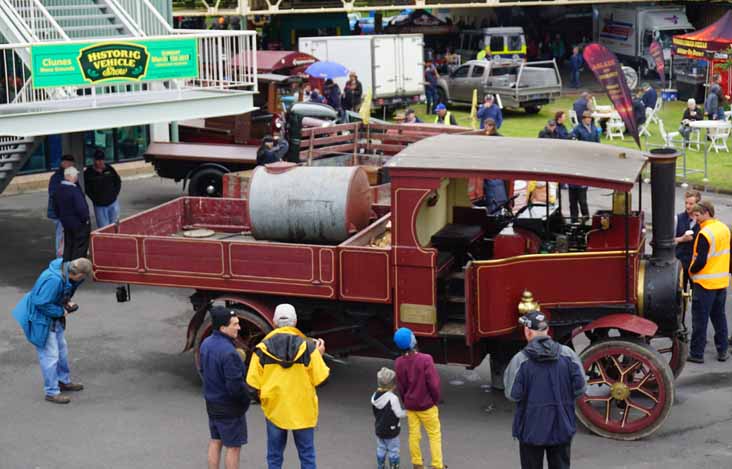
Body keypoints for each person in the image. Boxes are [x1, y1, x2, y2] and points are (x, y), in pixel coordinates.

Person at [246, 304, 330, 469]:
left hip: (275, 410)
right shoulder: (309, 347)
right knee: (307, 456)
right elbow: (321, 379)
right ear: (296, 322)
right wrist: (319, 356)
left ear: (275, 322)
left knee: (275, 457)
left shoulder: (262, 349)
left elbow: (252, 385)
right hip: (303, 411)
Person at [503, 311, 587, 469]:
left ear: (527, 332)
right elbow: (581, 387)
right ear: (547, 331)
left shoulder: (520, 360)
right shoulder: (568, 355)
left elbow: (512, 395)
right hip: (562, 425)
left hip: (531, 429)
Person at [11, 257, 92, 404]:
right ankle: (51, 392)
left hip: (52, 318)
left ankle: (63, 381)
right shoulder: (54, 280)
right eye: (82, 278)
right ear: (78, 274)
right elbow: (40, 302)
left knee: (62, 350)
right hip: (42, 319)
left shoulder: (65, 271)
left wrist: (66, 302)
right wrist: (60, 311)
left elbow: (59, 294)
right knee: (50, 356)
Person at [200, 307, 251, 469]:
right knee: (233, 447)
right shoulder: (229, 353)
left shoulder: (206, 344)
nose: (239, 327)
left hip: (212, 403)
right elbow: (235, 387)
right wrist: (247, 399)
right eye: (234, 324)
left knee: (216, 440)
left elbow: (203, 370)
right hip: (229, 407)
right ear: (223, 328)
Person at [393, 327, 445, 469]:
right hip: (427, 405)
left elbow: (401, 386)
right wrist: (435, 399)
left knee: (414, 435)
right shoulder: (426, 360)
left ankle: (417, 463)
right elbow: (434, 384)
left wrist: (406, 401)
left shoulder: (398, 362)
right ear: (413, 340)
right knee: (434, 434)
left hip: (411, 406)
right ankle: (437, 464)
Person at [687, 201, 731, 363]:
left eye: (697, 215)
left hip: (705, 284)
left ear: (706, 212)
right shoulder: (724, 228)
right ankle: (723, 350)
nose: (696, 219)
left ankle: (696, 353)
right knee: (720, 317)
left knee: (700, 320)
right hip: (721, 282)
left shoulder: (705, 233)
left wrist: (691, 270)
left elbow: (701, 261)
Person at [371, 367, 406, 469]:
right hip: (391, 430)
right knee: (393, 449)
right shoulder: (393, 398)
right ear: (393, 385)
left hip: (379, 428)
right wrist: (409, 412)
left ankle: (380, 465)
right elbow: (399, 414)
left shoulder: (374, 397)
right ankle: (394, 466)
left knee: (381, 448)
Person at [55, 166, 91, 262]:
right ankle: (76, 271)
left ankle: (66, 269)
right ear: (70, 176)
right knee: (79, 248)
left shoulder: (58, 189)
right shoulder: (74, 191)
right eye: (75, 175)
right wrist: (86, 219)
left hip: (66, 223)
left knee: (68, 246)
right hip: (78, 224)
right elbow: (81, 208)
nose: (76, 177)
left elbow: (55, 207)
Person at [568, 111, 598, 223]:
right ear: (582, 118)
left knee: (582, 200)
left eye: (590, 117)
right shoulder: (578, 129)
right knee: (574, 200)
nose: (589, 119)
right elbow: (574, 141)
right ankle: (574, 219)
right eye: (586, 117)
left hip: (591, 157)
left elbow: (597, 142)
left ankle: (585, 217)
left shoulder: (594, 129)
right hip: (581, 157)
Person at [84, 149, 121, 229]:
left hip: (113, 203)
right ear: (94, 160)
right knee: (103, 229)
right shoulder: (88, 172)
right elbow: (86, 188)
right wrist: (95, 199)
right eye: (98, 160)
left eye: (102, 160)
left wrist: (114, 194)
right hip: (100, 206)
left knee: (115, 226)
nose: (101, 162)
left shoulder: (109, 169)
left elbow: (118, 182)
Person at [47, 154, 76, 257]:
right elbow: (53, 194)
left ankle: (65, 256)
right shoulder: (56, 177)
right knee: (61, 236)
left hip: (67, 213)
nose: (71, 165)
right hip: (60, 214)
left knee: (67, 236)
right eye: (69, 162)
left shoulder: (69, 175)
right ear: (63, 163)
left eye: (72, 163)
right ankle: (59, 259)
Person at [675, 190, 702, 292]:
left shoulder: (702, 222)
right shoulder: (677, 219)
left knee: (696, 294)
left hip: (695, 265)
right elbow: (668, 241)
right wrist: (682, 239)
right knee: (679, 293)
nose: (687, 206)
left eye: (691, 203)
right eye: (686, 203)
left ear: (698, 204)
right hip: (680, 264)